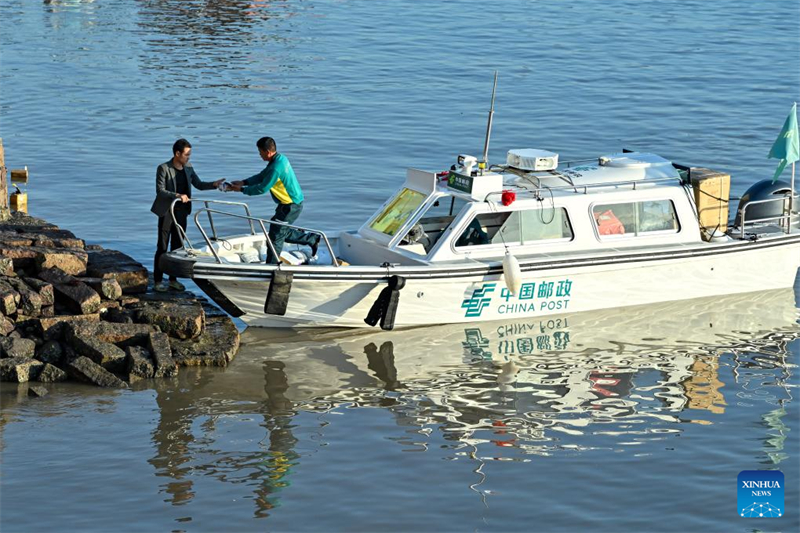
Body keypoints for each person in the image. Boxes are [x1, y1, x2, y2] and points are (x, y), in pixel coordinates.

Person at [227, 137, 319, 264]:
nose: (259, 155)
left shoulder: (276, 168)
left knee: (276, 237)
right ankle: (312, 239)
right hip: (287, 203)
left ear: (267, 152)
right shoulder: (280, 159)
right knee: (278, 231)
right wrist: (244, 182)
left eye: (260, 152)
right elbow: (262, 175)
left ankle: (272, 266)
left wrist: (241, 190)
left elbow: (262, 188)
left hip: (291, 205)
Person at [151, 139, 223, 292]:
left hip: (182, 212)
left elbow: (199, 184)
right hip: (167, 211)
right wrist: (177, 195)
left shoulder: (188, 167)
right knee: (162, 247)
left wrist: (213, 185)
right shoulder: (163, 168)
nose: (189, 157)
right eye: (186, 154)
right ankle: (158, 281)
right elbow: (160, 191)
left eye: (190, 154)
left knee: (178, 247)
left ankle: (172, 279)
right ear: (177, 153)